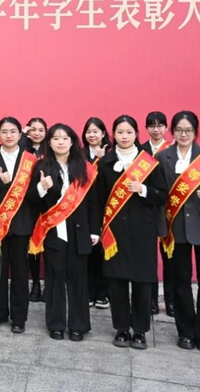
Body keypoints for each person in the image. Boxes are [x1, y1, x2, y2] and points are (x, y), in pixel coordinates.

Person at [149, 111, 200, 352]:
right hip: (176, 228)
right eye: (179, 130)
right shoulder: (163, 157)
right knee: (180, 280)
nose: (183, 134)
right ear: (172, 132)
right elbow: (159, 191)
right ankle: (185, 331)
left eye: (188, 130)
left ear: (195, 132)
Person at [97, 114, 163, 350]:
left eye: (129, 132)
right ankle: (122, 328)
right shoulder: (105, 163)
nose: (124, 137)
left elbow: (162, 195)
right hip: (114, 232)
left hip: (143, 230)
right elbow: (98, 200)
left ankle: (141, 330)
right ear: (113, 135)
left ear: (136, 134)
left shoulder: (150, 162)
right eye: (120, 132)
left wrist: (143, 189)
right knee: (117, 281)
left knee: (142, 282)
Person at [29, 123, 99, 341]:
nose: (60, 142)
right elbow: (31, 200)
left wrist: (94, 230)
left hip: (80, 232)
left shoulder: (85, 167)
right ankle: (56, 324)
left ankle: (78, 325)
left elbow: (93, 203)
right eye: (56, 138)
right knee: (55, 278)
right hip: (54, 231)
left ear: (72, 141)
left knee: (79, 279)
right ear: (49, 143)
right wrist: (41, 187)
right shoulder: (41, 166)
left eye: (65, 138)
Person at [0, 117, 36, 334]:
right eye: (4, 132)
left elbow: (33, 194)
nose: (9, 135)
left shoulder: (30, 160)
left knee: (20, 272)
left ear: (20, 135)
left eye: (13, 131)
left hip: (21, 223)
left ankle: (19, 318)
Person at [140, 111, 175, 317]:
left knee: (170, 258)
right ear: (146, 128)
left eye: (160, 125)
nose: (156, 129)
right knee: (148, 258)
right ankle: (151, 299)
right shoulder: (140, 150)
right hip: (147, 208)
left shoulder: (173, 149)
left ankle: (170, 301)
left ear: (166, 128)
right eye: (152, 126)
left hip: (171, 209)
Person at [82, 116, 111, 310]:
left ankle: (103, 293)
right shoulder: (79, 154)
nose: (92, 135)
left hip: (109, 207)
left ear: (103, 133)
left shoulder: (112, 153)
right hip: (86, 209)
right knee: (89, 252)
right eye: (88, 131)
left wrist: (104, 159)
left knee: (104, 252)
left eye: (95, 131)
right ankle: (89, 292)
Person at [24, 117, 48, 303]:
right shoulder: (22, 150)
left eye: (41, 130)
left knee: (49, 248)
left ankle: (49, 283)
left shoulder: (51, 150)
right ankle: (35, 284)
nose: (37, 133)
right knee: (32, 246)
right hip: (29, 204)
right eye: (33, 129)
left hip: (50, 206)